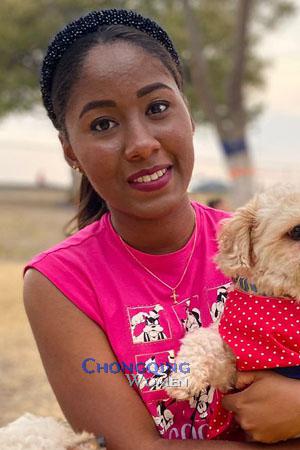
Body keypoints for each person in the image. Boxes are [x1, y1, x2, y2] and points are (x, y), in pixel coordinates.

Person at [23, 9, 300, 450]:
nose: (141, 143)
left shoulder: (264, 245)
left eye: (157, 108)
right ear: (70, 150)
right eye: (103, 124)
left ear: (188, 115)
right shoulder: (60, 284)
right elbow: (139, 447)